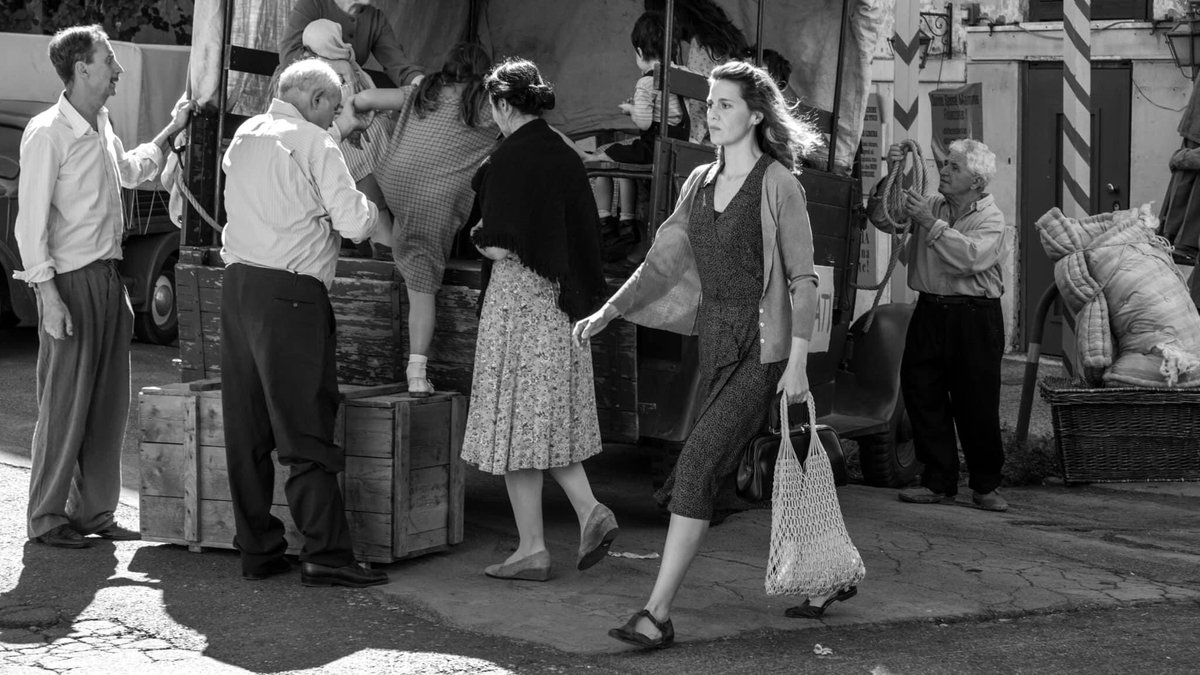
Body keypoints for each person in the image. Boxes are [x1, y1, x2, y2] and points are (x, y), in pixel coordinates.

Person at [574, 60, 829, 648]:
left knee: (694, 467)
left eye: (724, 105)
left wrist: (796, 364)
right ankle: (828, 574)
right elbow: (659, 264)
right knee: (734, 473)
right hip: (716, 338)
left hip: (762, 347)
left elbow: (803, 280)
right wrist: (608, 311)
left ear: (756, 115)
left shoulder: (779, 184)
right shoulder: (699, 182)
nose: (711, 114)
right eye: (709, 104)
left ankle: (656, 614)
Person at [14, 25, 190, 549]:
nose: (118, 69)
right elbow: (29, 225)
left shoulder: (101, 123)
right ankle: (46, 519)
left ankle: (93, 514)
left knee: (108, 406)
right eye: (109, 60)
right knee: (65, 404)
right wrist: (48, 297)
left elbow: (129, 172)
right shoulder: (49, 132)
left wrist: (169, 133)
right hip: (71, 281)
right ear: (81, 68)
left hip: (110, 280)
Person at [219, 59, 391, 587]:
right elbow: (355, 223)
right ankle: (326, 554)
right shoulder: (319, 145)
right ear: (317, 102)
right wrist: (369, 204)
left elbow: (289, 166)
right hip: (292, 295)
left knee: (247, 430)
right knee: (305, 429)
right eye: (334, 106)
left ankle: (258, 548)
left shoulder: (246, 134)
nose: (337, 115)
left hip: (240, 287)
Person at [461, 58, 617, 583]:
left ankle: (551, 535)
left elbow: (502, 243)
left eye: (492, 106)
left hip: (518, 305)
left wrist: (476, 237)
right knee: (534, 426)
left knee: (515, 424)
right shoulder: (565, 153)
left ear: (503, 104)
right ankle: (558, 529)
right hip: (563, 305)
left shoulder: (509, 157)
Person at [867, 139, 1011, 512]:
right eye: (944, 165)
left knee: (976, 402)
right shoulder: (931, 205)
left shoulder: (991, 218)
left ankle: (986, 485)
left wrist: (930, 224)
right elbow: (886, 217)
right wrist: (893, 174)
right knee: (922, 393)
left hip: (975, 317)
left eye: (954, 168)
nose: (944, 172)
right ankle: (938, 480)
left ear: (977, 182)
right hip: (931, 311)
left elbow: (971, 258)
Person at [350, 42, 498, 396]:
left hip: (391, 180)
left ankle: (384, 243)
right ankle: (417, 375)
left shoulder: (425, 90)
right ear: (485, 74)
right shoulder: (488, 105)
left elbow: (365, 99)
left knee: (362, 177)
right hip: (432, 203)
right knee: (421, 292)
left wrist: (361, 119)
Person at [585, 11, 690, 261]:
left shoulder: (647, 82)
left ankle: (608, 223)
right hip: (678, 144)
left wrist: (631, 109)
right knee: (622, 152)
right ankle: (626, 221)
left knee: (602, 156)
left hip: (654, 148)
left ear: (640, 52)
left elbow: (643, 123)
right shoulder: (683, 74)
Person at [645, 0, 749, 143]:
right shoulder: (724, 40)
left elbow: (699, 100)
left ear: (673, 18)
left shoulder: (700, 46)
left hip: (713, 134)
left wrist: (692, 139)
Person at [280, 0, 424, 88]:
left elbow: (399, 65)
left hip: (342, 98)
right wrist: (338, 66)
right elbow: (289, 56)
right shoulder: (313, 3)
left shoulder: (376, 19)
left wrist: (425, 86)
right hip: (298, 89)